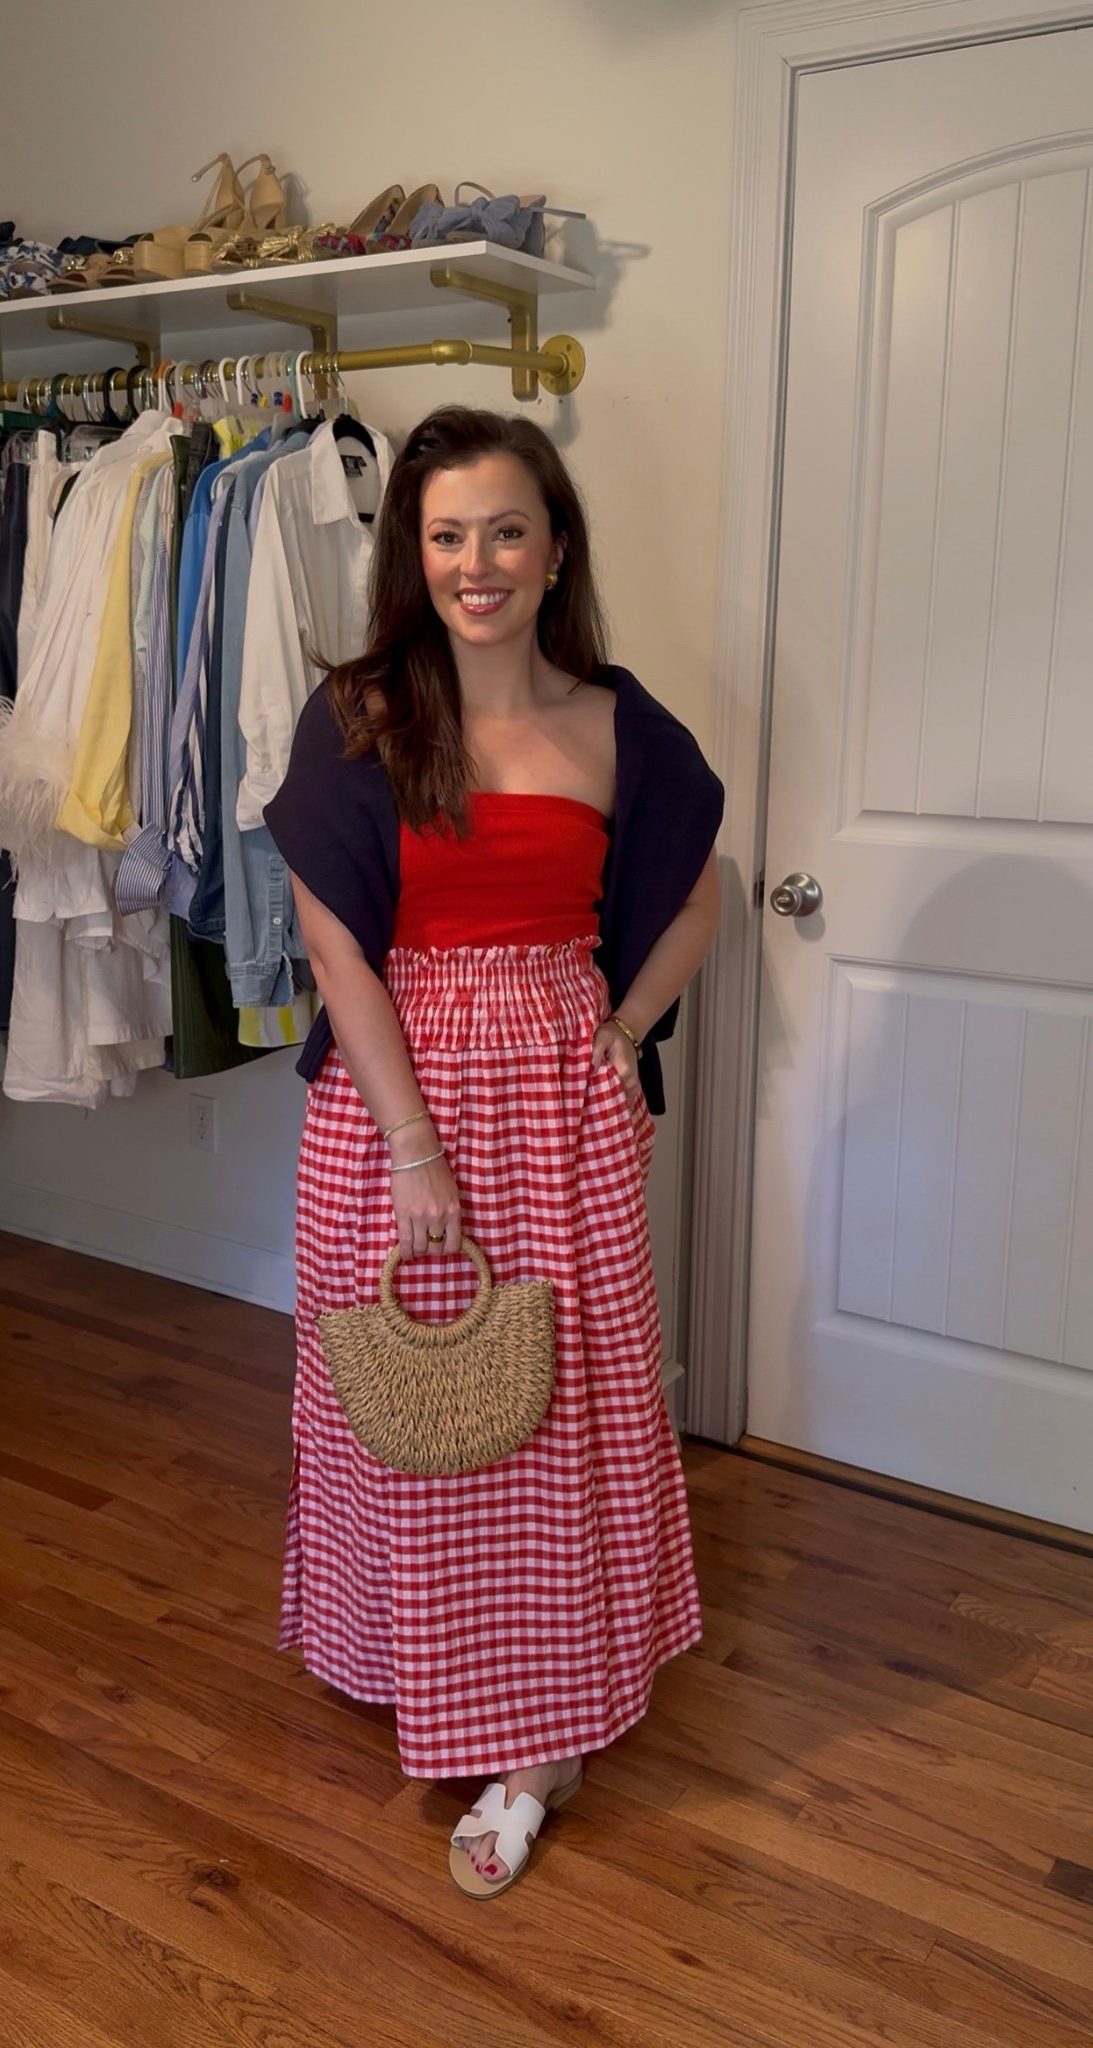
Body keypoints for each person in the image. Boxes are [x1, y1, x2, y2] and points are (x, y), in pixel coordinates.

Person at [264, 404, 724, 1898]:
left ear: (554, 547)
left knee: (558, 1414)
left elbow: (695, 888)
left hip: (556, 1104)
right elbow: (338, 951)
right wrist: (413, 1151)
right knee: (410, 1404)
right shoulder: (358, 715)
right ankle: (430, 1665)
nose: (475, 562)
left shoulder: (613, 723)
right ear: (413, 551)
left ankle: (540, 1743)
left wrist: (625, 1030)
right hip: (396, 1109)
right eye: (445, 534)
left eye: (504, 530)